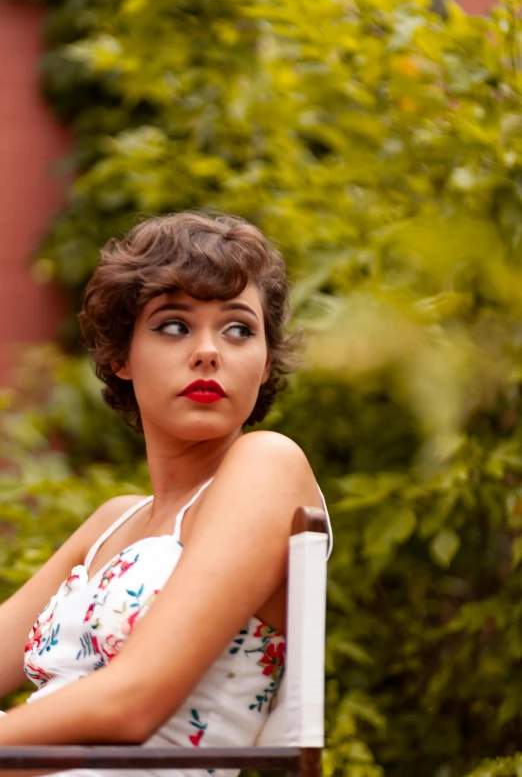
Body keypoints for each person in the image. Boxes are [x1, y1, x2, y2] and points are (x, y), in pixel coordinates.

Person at [0, 211, 333, 776]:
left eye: (238, 329)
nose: (209, 351)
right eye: (174, 325)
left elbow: (133, 704)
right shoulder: (113, 522)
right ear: (119, 357)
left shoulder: (268, 464)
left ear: (266, 360)